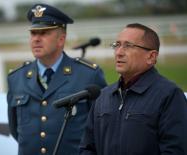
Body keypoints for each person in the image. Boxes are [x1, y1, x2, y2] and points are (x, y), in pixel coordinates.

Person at [7, 3, 107, 155]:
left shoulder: (88, 75)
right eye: (33, 33)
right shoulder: (17, 78)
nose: (36, 39)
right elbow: (16, 130)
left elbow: (103, 128)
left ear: (61, 39)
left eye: (44, 33)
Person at [80, 23, 187, 155]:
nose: (118, 53)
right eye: (117, 45)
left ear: (151, 57)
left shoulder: (169, 95)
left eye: (128, 46)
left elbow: (174, 150)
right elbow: (87, 148)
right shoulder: (103, 96)